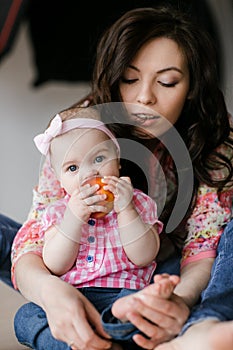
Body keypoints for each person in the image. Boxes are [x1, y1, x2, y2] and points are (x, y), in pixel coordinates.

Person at [10, 5, 233, 350]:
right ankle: (96, 338)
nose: (145, 97)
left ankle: (197, 328)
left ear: (192, 86)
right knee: (26, 308)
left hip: (163, 268)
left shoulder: (216, 135)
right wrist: (52, 294)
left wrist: (178, 301)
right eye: (130, 79)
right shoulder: (77, 129)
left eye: (168, 81)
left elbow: (203, 246)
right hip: (73, 266)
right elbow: (33, 240)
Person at [14, 106, 166, 349]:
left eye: (98, 159)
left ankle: (113, 332)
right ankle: (78, 344)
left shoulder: (137, 202)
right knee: (26, 317)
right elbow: (56, 264)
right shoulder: (58, 213)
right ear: (59, 180)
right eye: (72, 168)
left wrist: (125, 210)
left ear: (117, 163)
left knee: (144, 305)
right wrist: (74, 218)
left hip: (123, 292)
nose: (89, 173)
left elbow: (144, 256)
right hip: (74, 297)